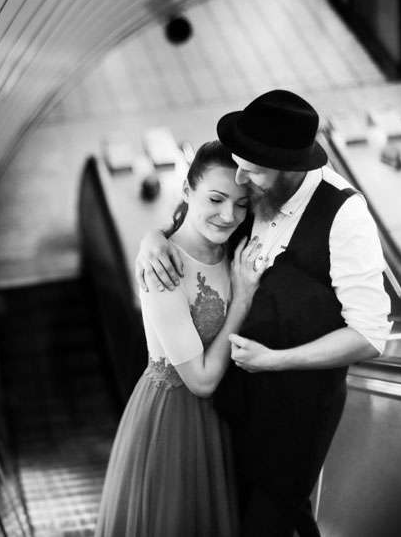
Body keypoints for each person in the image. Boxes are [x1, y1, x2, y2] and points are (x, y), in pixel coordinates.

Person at [136, 90, 392, 537]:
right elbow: (196, 214)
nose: (241, 177)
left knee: (270, 520)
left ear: (288, 168)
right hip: (231, 413)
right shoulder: (252, 190)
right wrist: (153, 239)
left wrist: (276, 360)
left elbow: (370, 335)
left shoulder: (344, 216)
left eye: (252, 169)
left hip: (295, 419)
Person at [96, 141, 265, 537]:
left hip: (223, 417)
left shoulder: (233, 249)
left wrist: (152, 234)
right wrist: (242, 300)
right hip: (173, 419)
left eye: (241, 204)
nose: (229, 215)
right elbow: (201, 381)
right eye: (216, 199)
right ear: (187, 190)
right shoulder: (163, 267)